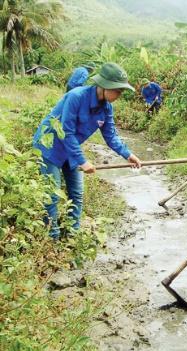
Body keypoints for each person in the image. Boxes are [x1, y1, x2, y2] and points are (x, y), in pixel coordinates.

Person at [33, 62, 142, 239]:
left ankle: (72, 236)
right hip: (49, 147)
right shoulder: (76, 97)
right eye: (118, 91)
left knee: (76, 193)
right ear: (105, 86)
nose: (119, 95)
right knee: (52, 194)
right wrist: (82, 161)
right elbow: (66, 132)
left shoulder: (107, 108)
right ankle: (52, 237)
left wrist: (128, 154)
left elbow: (111, 136)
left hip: (71, 150)